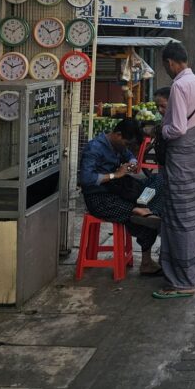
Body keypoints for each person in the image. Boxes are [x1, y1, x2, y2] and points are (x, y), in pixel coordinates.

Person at [153, 41, 195, 300]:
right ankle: (186, 270)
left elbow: (176, 128)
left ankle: (182, 279)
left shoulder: (178, 86)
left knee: (177, 215)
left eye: (166, 65)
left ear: (170, 63)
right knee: (189, 212)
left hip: (180, 157)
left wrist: (161, 130)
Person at [79, 118, 163, 276]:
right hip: (100, 198)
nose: (127, 147)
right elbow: (86, 179)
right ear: (118, 134)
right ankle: (140, 210)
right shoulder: (94, 148)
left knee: (158, 180)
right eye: (127, 143)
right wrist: (114, 175)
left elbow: (129, 155)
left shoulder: (119, 145)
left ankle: (144, 206)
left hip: (121, 191)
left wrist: (131, 163)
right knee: (144, 217)